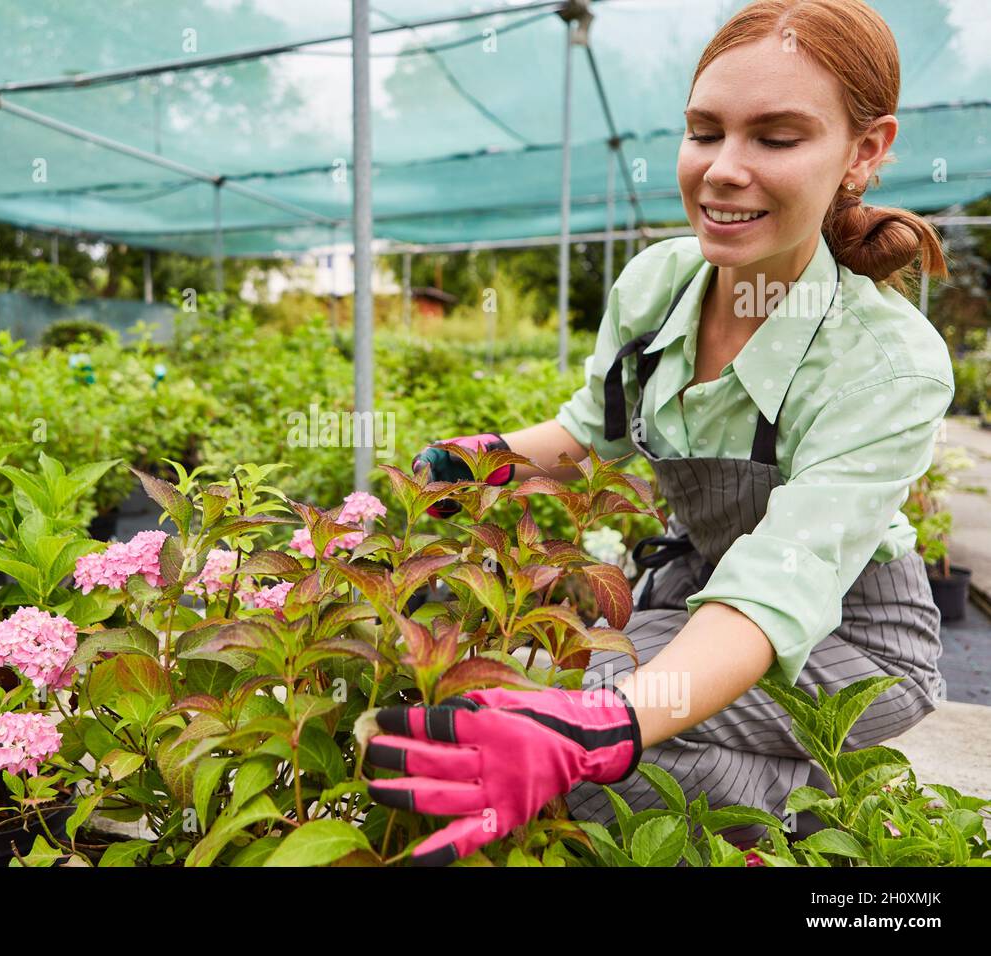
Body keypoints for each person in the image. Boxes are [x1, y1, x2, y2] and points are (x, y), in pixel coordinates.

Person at [367, 0, 954, 866]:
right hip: (703, 592)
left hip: (853, 638)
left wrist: (607, 728)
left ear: (864, 153)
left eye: (776, 139)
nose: (722, 169)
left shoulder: (888, 363)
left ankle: (806, 805)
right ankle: (786, 788)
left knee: (607, 751)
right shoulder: (658, 286)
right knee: (550, 689)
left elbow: (777, 585)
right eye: (704, 131)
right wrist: (480, 461)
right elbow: (588, 433)